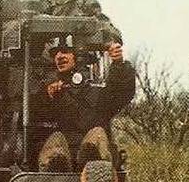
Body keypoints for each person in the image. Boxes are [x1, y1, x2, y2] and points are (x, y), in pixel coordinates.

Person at [33, 35, 136, 172]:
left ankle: (91, 164)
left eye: (65, 51)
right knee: (55, 142)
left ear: (78, 55)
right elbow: (35, 115)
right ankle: (56, 171)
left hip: (95, 159)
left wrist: (118, 64)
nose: (59, 56)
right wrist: (48, 96)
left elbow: (122, 93)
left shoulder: (98, 88)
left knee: (96, 135)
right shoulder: (50, 89)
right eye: (55, 53)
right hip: (64, 151)